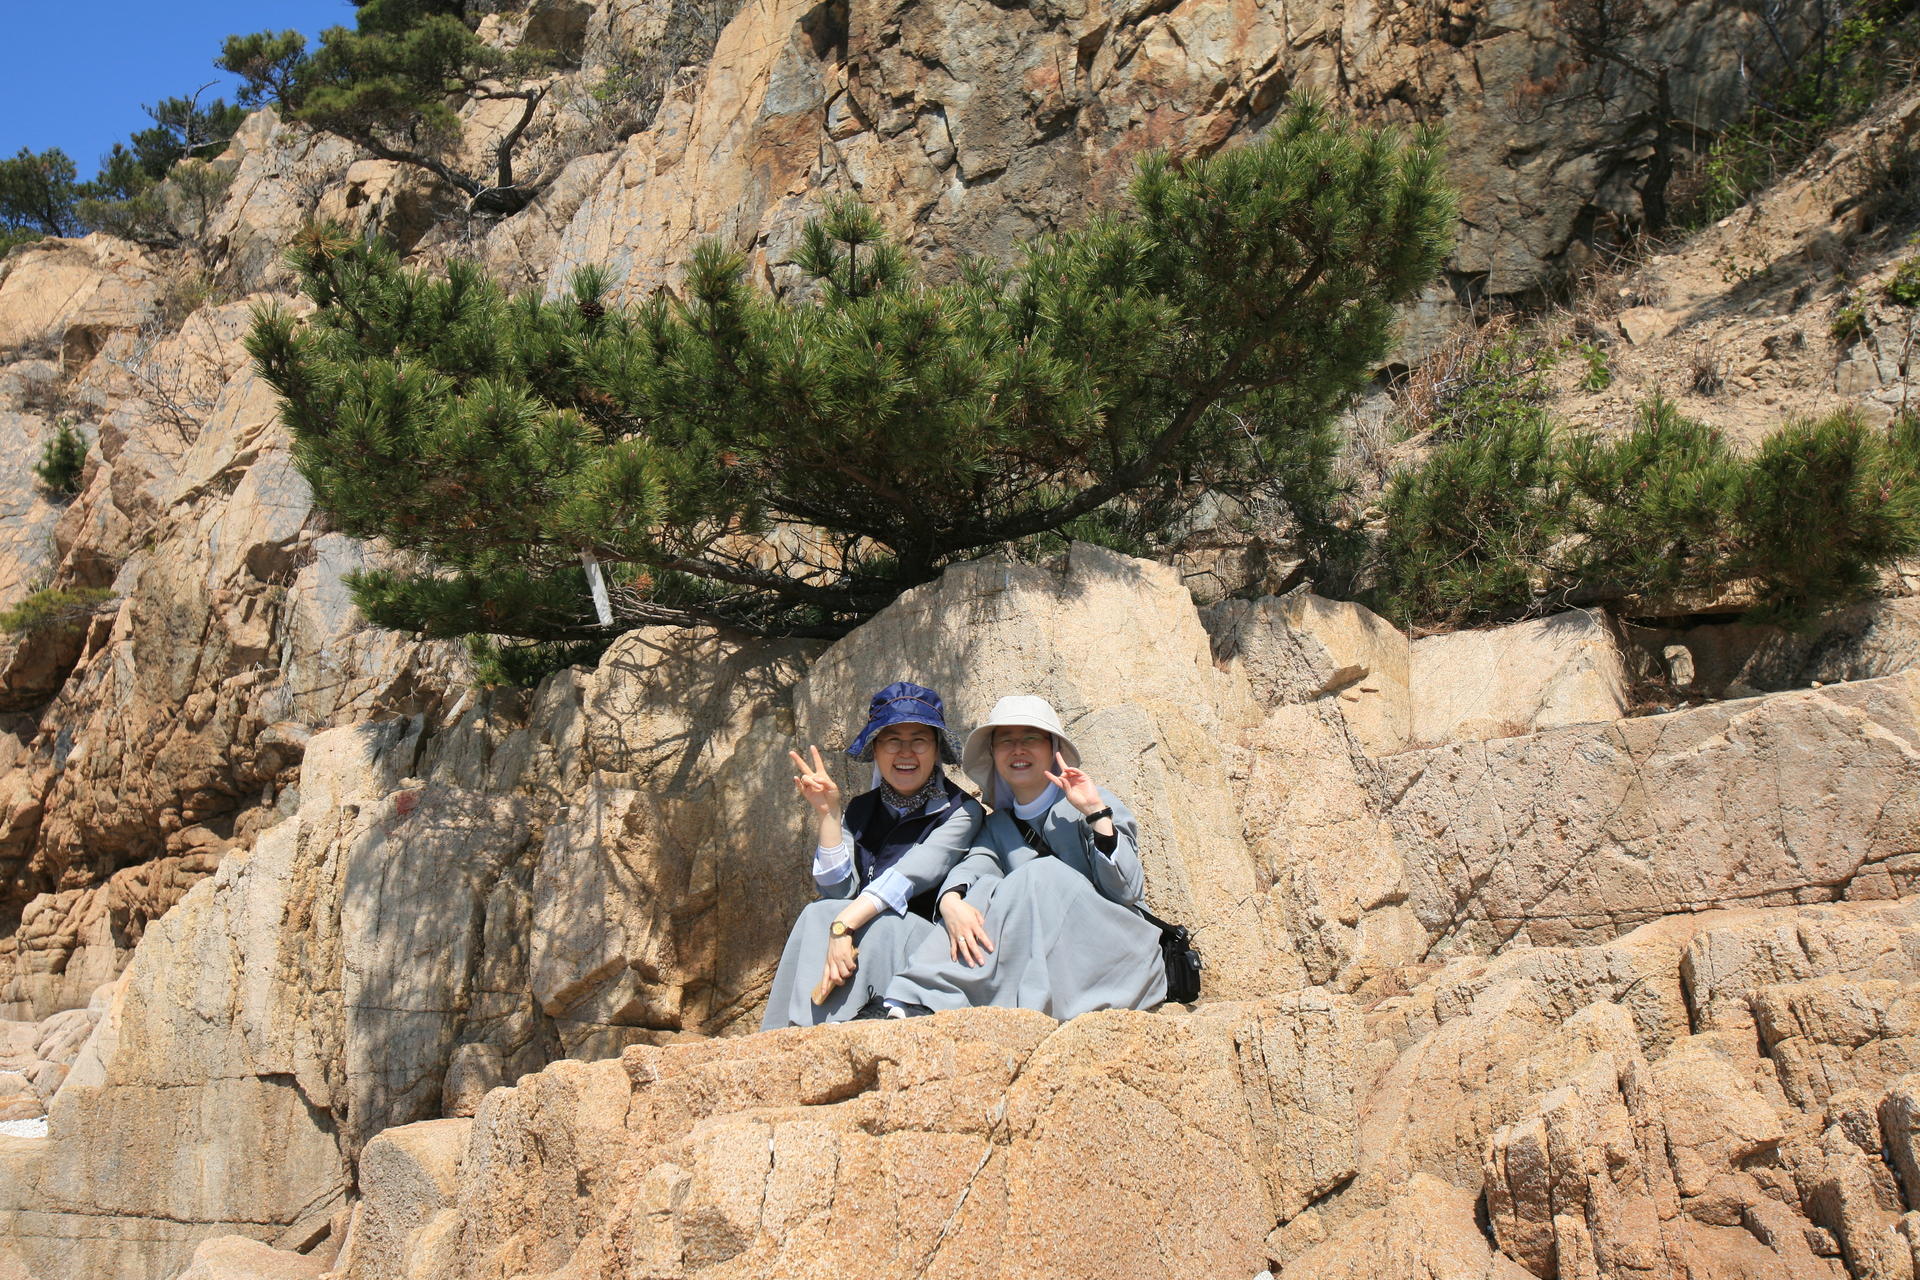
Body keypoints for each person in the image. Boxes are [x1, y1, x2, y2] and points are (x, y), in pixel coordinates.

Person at [882, 694, 1167, 1020]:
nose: (1018, 749)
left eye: (1031, 738)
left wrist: (1095, 814)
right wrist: (950, 901)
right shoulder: (998, 826)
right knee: (984, 888)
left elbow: (1127, 891)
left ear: (1053, 749)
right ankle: (916, 998)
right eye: (1006, 741)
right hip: (1061, 964)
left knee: (1040, 873)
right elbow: (975, 867)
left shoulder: (1093, 803)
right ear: (993, 753)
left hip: (1118, 956)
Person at [760, 681, 987, 1030]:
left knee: (881, 921)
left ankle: (835, 1027)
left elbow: (912, 875)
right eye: (892, 740)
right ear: (876, 749)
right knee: (816, 913)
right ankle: (789, 1032)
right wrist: (829, 815)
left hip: (921, 945)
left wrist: (843, 926)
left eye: (919, 741)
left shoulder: (962, 811)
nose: (906, 753)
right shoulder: (861, 809)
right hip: (864, 932)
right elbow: (837, 893)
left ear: (937, 750)